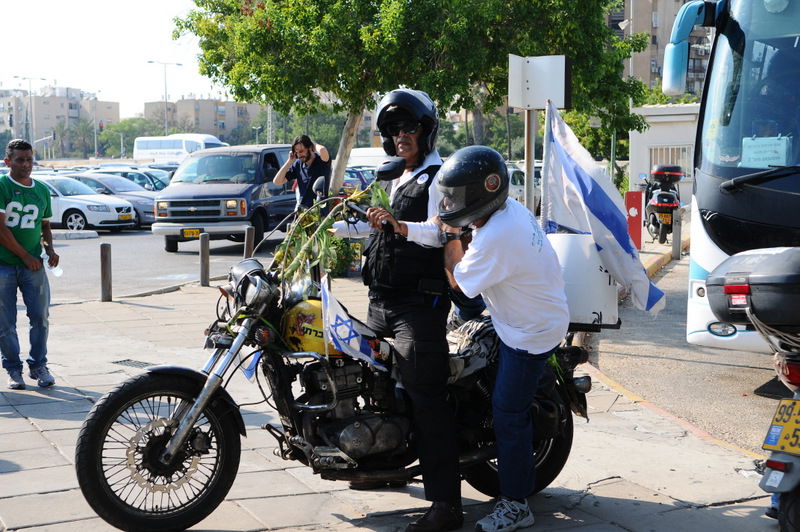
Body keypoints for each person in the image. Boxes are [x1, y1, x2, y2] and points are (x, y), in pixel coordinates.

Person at [333, 88, 463, 531]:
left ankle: (447, 505)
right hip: (381, 301)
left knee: (425, 395)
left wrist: (398, 224)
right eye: (392, 130)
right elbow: (377, 231)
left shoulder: (438, 177)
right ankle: (383, 458)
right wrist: (331, 220)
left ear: (425, 130)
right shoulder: (392, 176)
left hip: (418, 307)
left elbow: (440, 231)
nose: (401, 136)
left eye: (408, 128)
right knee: (368, 381)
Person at [437, 145, 570, 532]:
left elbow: (462, 287)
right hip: (522, 313)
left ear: (483, 192)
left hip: (530, 331)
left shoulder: (498, 234)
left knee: (507, 412)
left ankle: (516, 505)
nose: (449, 202)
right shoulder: (506, 211)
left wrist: (448, 236)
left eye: (456, 196)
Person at [0, 139, 59, 389]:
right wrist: (25, 255)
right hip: (4, 264)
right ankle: (14, 369)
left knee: (40, 318)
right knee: (5, 323)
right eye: (20, 160)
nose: (26, 165)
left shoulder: (42, 190)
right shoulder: (2, 186)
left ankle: (38, 365)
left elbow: (44, 225)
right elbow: (1, 228)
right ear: (8, 161)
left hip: (33, 265)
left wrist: (50, 249)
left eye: (29, 159)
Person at [273, 135, 331, 209]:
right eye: (296, 152)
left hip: (320, 212)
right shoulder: (297, 165)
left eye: (301, 151)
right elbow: (277, 181)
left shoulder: (322, 161)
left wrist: (312, 144)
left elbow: (322, 150)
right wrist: (289, 162)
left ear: (310, 148)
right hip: (303, 212)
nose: (299, 155)